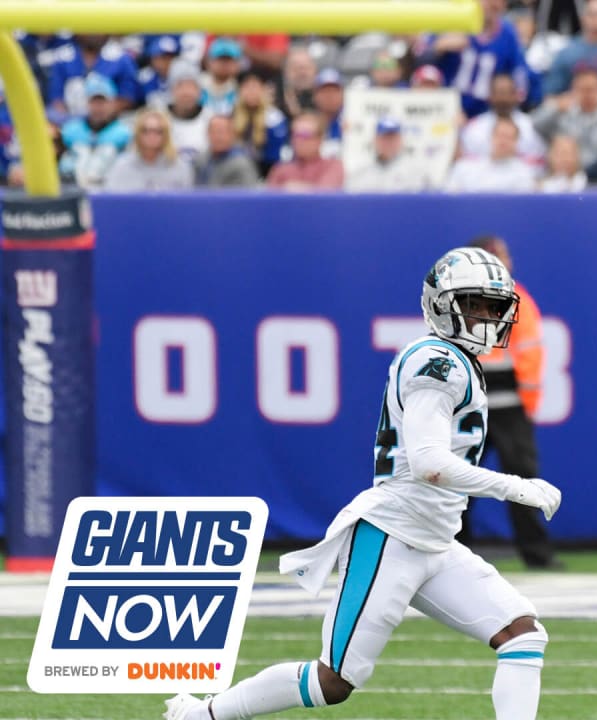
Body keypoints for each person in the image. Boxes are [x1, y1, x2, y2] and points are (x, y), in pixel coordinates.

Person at [165, 247, 562, 720]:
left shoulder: (457, 360)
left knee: (522, 634)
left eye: (494, 307)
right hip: (391, 536)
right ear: (441, 304)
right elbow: (429, 463)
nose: (487, 317)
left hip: (435, 540)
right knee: (332, 682)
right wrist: (515, 487)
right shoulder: (437, 362)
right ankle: (201, 715)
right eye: (474, 304)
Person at [459, 237, 564, 569]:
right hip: (505, 406)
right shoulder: (514, 298)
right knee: (515, 484)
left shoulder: (456, 299)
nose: (509, 260)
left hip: (475, 404)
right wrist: (529, 402)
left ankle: (451, 554)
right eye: (502, 254)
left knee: (459, 482)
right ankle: (536, 556)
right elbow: (530, 354)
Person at [104, 109, 195, 191]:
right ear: (138, 133)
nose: (152, 136)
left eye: (158, 131)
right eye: (145, 130)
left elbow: (187, 203)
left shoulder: (180, 167)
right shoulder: (122, 166)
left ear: (166, 135)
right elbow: (111, 200)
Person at [447, 116, 540, 192]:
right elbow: (450, 198)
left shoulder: (524, 173)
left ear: (517, 142)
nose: (503, 141)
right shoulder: (464, 167)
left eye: (509, 137)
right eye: (500, 135)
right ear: (491, 137)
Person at [346, 117, 429, 192]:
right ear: (375, 140)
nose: (388, 142)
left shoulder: (416, 172)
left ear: (401, 140)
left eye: (392, 138)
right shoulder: (361, 172)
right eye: (384, 138)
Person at [266, 113, 345, 191]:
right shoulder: (280, 169)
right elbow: (270, 198)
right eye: (296, 135)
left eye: (305, 135)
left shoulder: (333, 166)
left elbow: (325, 193)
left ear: (320, 139)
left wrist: (290, 188)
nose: (299, 140)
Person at [194, 114, 260, 188]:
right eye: (214, 131)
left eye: (222, 132)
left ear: (233, 135)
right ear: (207, 134)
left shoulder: (242, 164)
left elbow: (249, 195)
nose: (218, 137)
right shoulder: (200, 160)